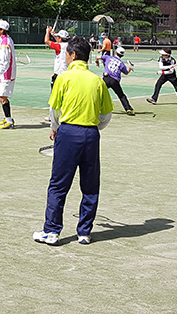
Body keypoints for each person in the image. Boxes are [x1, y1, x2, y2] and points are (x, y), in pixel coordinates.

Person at [34, 35, 113, 246]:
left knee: (58, 185)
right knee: (90, 186)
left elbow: (55, 109)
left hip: (68, 134)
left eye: (67, 54)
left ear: (73, 55)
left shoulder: (64, 77)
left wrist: (55, 129)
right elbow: (106, 115)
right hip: (91, 136)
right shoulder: (97, 80)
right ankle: (84, 233)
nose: (66, 57)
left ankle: (51, 231)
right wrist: (92, 128)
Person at [0, 19, 17, 129]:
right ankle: (8, 119)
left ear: (2, 30)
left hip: (6, 74)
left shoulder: (5, 42)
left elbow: (5, 62)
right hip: (6, 73)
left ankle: (9, 121)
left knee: (2, 97)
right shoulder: (6, 40)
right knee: (2, 97)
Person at [44, 27, 71, 123]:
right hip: (67, 75)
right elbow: (59, 41)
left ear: (60, 39)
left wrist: (47, 32)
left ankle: (52, 117)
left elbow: (46, 41)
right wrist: (54, 34)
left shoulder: (59, 46)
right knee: (65, 96)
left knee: (54, 97)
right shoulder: (69, 46)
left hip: (58, 75)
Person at [99, 46, 135, 115]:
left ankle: (94, 107)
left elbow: (99, 57)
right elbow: (126, 72)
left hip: (106, 78)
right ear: (122, 55)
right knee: (121, 95)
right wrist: (130, 68)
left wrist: (97, 61)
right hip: (115, 81)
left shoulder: (108, 57)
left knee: (98, 93)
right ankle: (128, 109)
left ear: (115, 52)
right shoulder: (121, 63)